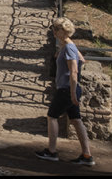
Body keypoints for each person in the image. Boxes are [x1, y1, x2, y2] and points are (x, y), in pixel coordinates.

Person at [35, 17, 95, 166]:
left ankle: (52, 151)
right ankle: (87, 155)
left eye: (55, 29)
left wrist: (73, 93)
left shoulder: (68, 48)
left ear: (61, 31)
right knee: (76, 119)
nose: (53, 32)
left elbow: (74, 71)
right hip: (71, 89)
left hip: (67, 90)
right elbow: (82, 60)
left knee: (52, 116)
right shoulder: (69, 45)